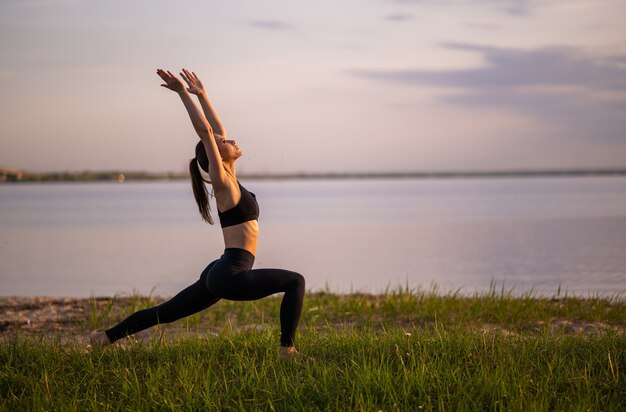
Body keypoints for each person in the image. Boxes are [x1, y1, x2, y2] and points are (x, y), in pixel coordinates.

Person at [90, 69, 305, 358]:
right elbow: (206, 133)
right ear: (215, 155)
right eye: (224, 143)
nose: (231, 140)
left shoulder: (230, 176)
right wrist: (182, 94)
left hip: (221, 269)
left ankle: (104, 337)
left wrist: (202, 94)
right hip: (230, 273)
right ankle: (286, 349)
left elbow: (215, 131)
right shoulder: (223, 183)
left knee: (166, 312)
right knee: (295, 281)